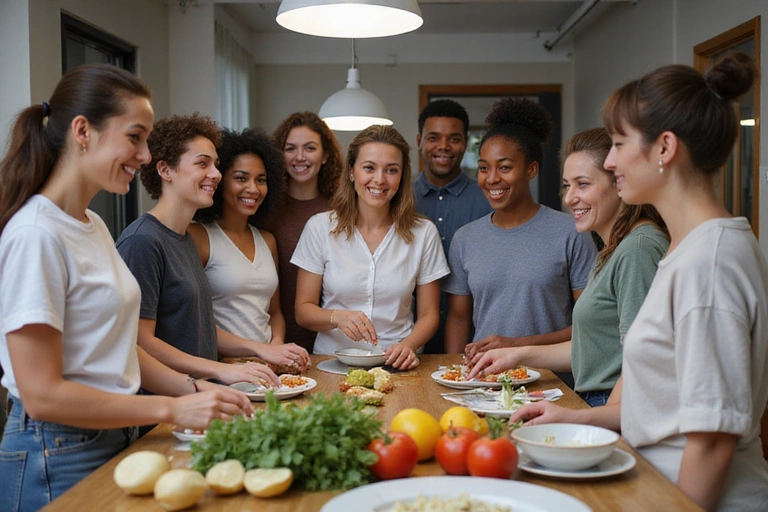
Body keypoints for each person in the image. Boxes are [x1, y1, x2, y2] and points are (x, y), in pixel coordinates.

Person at [511, 53, 768, 512]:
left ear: (664, 148)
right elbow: (663, 408)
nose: (611, 161)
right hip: (650, 484)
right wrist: (577, 417)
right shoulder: (684, 250)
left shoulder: (706, 264)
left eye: (618, 143)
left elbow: (711, 440)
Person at [0, 64, 252, 511]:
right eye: (134, 137)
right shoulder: (36, 234)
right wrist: (171, 410)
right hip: (55, 449)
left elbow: (120, 345)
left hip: (113, 433)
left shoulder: (92, 224)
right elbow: (41, 395)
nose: (143, 154)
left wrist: (194, 391)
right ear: (83, 131)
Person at [467, 127, 669, 407]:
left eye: (583, 184)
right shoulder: (612, 251)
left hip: (613, 407)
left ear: (619, 182)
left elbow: (644, 362)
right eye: (566, 185)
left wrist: (591, 422)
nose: (569, 198)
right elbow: (592, 349)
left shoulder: (637, 249)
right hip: (596, 401)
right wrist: (515, 355)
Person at [116, 114, 289, 388]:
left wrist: (260, 349)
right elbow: (139, 342)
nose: (216, 174)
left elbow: (203, 330)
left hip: (203, 395)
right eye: (202, 164)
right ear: (165, 170)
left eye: (216, 165)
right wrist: (220, 370)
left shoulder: (183, 239)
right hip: (163, 407)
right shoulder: (142, 241)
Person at [444, 98, 597, 376]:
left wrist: (516, 346)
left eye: (504, 167)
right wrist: (456, 375)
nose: (491, 178)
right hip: (483, 382)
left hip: (553, 385)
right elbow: (458, 318)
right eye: (483, 167)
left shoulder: (570, 232)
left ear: (531, 169)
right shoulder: (465, 239)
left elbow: (590, 325)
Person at [292, 125, 449, 370]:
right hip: (333, 363)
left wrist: (409, 344)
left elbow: (429, 315)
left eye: (391, 170)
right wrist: (336, 317)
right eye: (369, 167)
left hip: (397, 365)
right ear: (352, 171)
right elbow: (303, 311)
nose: (379, 179)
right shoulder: (319, 228)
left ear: (402, 176)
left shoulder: (423, 233)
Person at [189, 128, 310, 372]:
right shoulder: (199, 237)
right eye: (241, 178)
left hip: (268, 369)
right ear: (220, 181)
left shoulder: (267, 240)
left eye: (261, 180)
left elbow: (274, 312)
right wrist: (259, 351)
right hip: (224, 369)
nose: (253, 189)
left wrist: (276, 348)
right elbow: (196, 323)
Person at [414, 99, 492, 353]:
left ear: (466, 142)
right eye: (434, 138)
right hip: (407, 339)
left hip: (474, 339)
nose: (444, 147)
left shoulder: (489, 199)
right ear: (419, 141)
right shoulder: (398, 198)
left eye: (454, 139)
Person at [266, 112, 343, 353]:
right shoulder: (263, 210)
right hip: (271, 341)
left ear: (325, 156)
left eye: (310, 148)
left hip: (330, 343)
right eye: (290, 149)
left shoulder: (340, 212)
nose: (300, 157)